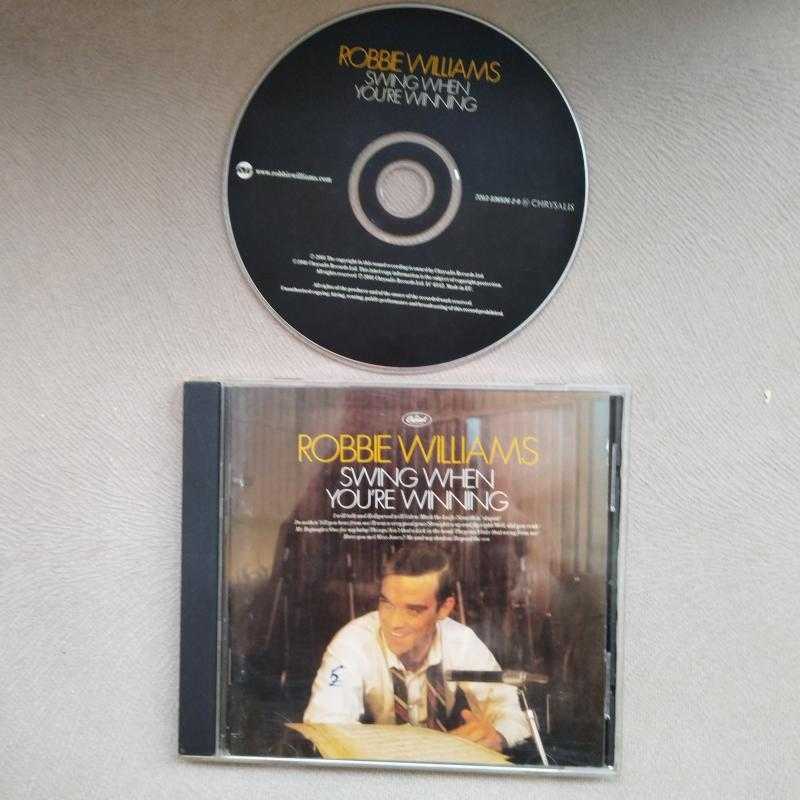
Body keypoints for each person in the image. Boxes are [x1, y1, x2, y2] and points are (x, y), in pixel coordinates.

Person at [303, 545, 529, 751]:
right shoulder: (352, 644)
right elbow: (326, 724)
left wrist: (498, 735)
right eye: (387, 603)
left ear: (445, 608)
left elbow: (512, 712)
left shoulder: (462, 642)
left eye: (413, 610)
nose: (394, 623)